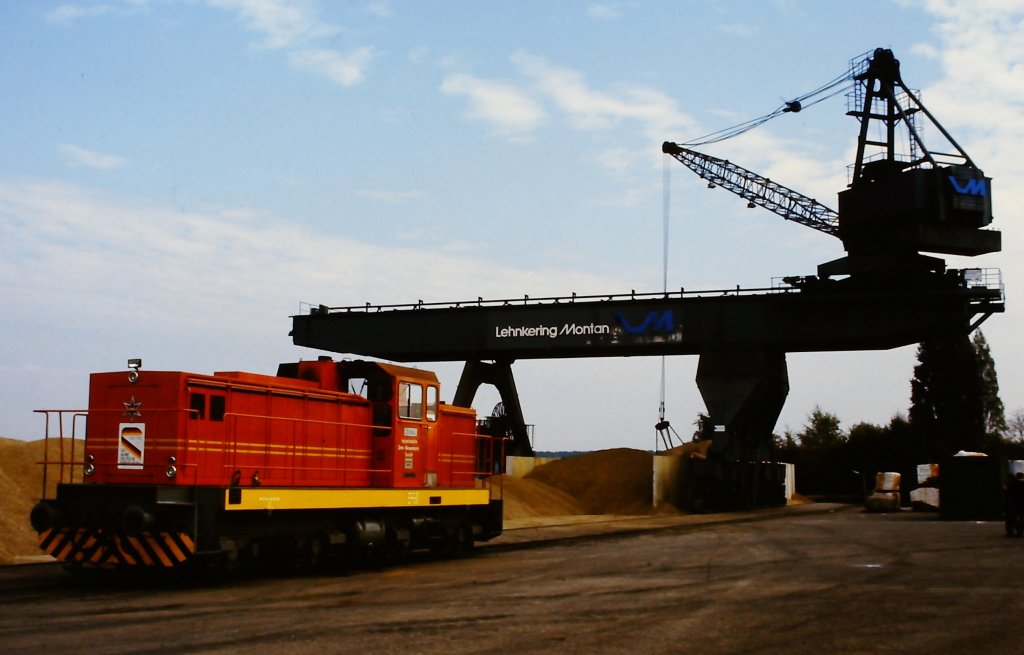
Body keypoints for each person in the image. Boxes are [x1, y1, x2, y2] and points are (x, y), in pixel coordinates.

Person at [1005, 471, 1024, 538]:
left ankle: (1012, 532)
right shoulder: (1020, 483)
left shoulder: (1011, 484)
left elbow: (1009, 494)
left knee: (1011, 519)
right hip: (1020, 503)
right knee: (1019, 519)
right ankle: (1019, 532)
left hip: (1013, 503)